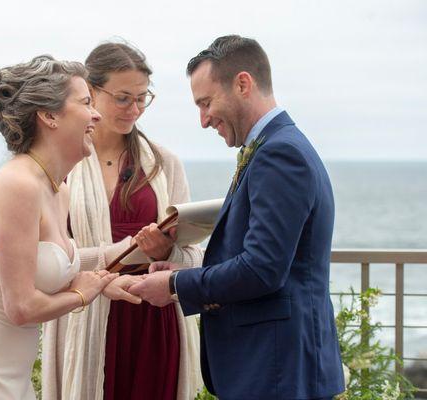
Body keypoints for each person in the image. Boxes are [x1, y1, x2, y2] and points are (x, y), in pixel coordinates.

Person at [130, 35, 346, 399]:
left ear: (243, 83)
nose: (203, 120)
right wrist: (184, 274)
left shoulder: (280, 155)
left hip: (277, 370)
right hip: (275, 367)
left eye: (206, 102)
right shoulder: (274, 147)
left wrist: (174, 287)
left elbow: (262, 270)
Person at [0, 55, 120, 400]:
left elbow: (45, 272)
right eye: (86, 102)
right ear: (49, 116)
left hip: (12, 372)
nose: (97, 115)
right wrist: (80, 295)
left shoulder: (58, 189)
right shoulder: (18, 185)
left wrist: (106, 281)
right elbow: (21, 307)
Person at [41, 41, 203, 400]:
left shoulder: (165, 163)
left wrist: (169, 253)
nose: (135, 109)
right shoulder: (59, 165)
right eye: (123, 98)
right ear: (91, 92)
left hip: (154, 318)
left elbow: (193, 255)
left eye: (143, 98)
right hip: (83, 312)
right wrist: (118, 257)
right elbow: (47, 256)